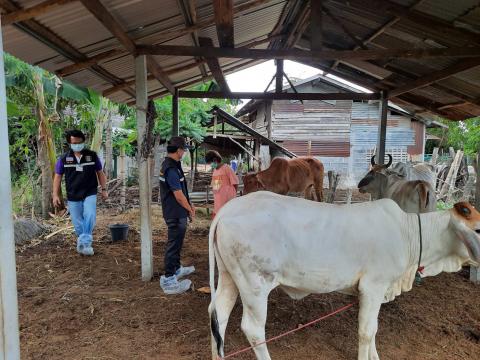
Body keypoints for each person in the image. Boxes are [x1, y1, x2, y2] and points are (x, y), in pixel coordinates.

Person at [53, 129, 108, 256]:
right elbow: (57, 176)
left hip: (90, 191)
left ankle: (85, 243)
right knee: (77, 222)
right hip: (73, 194)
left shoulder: (92, 156)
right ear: (69, 143)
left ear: (83, 141)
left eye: (80, 142)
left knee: (90, 215)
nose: (77, 144)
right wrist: (55, 195)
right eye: (74, 142)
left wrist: (104, 189)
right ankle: (83, 243)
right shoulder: (64, 159)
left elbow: (100, 172)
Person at [158, 136, 196, 294]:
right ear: (179, 150)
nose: (185, 152)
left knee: (177, 242)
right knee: (173, 245)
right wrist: (190, 209)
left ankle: (176, 269)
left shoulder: (174, 164)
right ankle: (169, 280)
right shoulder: (170, 168)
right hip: (175, 212)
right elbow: (178, 195)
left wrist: (189, 204)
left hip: (177, 211)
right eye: (185, 149)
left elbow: (182, 191)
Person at [205, 150, 239, 216]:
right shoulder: (215, 171)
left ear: (215, 160)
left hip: (228, 202)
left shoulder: (227, 168)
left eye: (210, 163)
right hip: (218, 202)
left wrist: (232, 197)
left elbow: (235, 183)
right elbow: (216, 188)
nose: (211, 165)